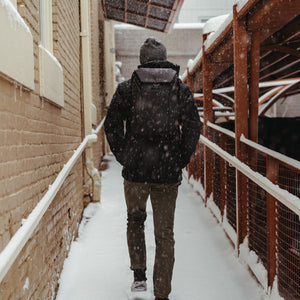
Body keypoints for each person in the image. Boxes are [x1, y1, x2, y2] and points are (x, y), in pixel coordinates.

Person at [104, 37, 201, 300]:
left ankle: (139, 277)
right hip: (167, 174)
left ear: (142, 59)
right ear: (164, 57)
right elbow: (193, 126)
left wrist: (126, 155)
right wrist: (179, 158)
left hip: (136, 173)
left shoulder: (127, 89)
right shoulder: (179, 89)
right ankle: (162, 293)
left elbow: (111, 125)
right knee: (165, 234)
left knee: (135, 220)